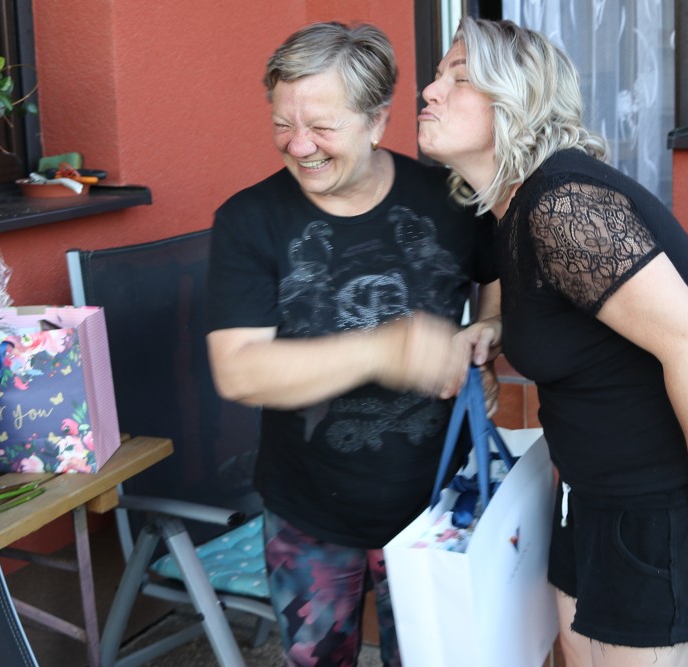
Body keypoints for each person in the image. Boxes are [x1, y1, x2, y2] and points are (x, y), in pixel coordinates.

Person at [418, 17, 688, 667]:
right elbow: (565, 311)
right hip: (589, 494)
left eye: (459, 78)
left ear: (518, 100)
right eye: (437, 75)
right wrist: (495, 328)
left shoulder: (562, 205)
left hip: (662, 502)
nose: (430, 90)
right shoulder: (511, 207)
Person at [205, 21, 499, 667]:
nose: (299, 145)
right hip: (307, 510)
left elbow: (499, 271)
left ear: (376, 121)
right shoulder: (249, 220)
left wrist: (490, 327)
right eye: (282, 124)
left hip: (437, 506)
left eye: (322, 126)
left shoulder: (451, 198)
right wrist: (382, 349)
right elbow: (238, 371)